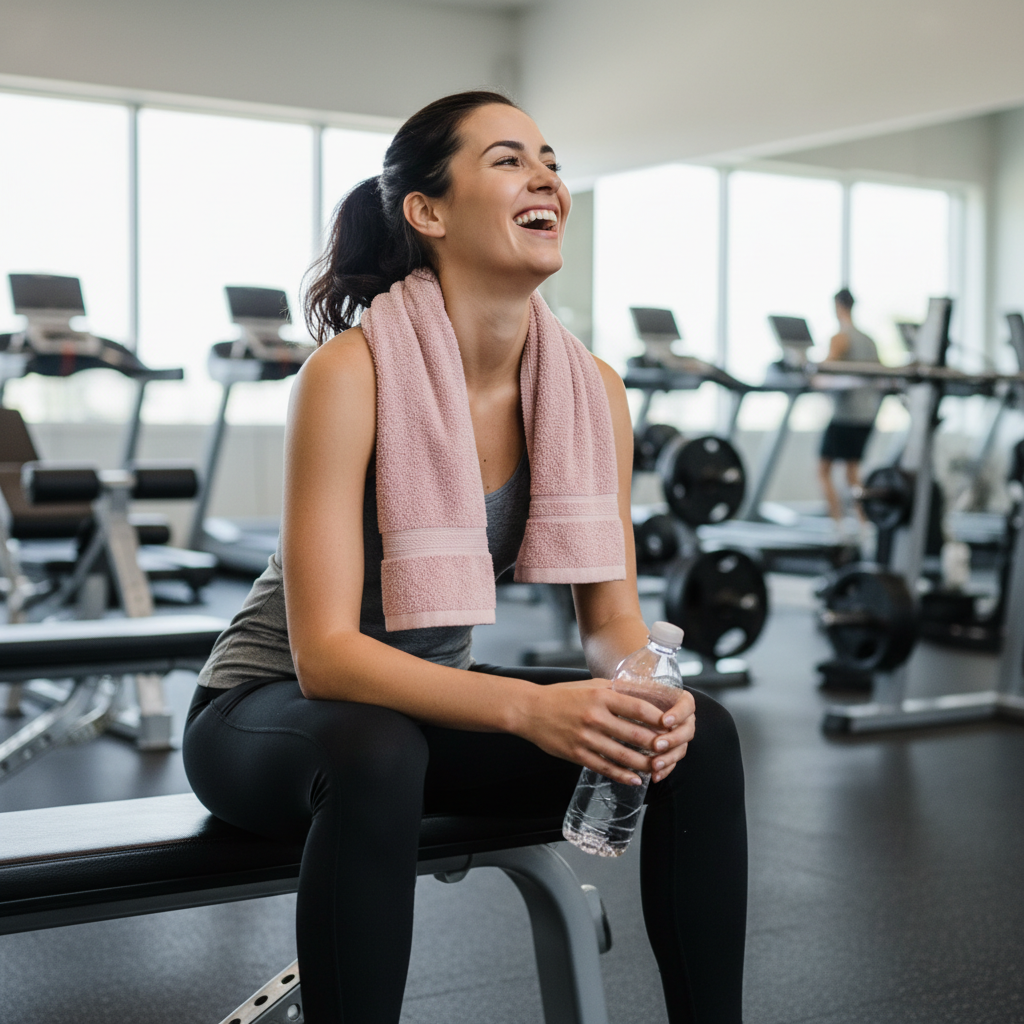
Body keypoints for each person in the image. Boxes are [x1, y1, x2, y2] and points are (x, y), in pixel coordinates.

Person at [183, 91, 747, 1024]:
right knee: (374, 746)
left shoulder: (590, 389)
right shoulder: (350, 373)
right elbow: (325, 655)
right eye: (507, 159)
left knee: (701, 735)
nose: (546, 179)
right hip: (269, 715)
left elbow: (610, 622)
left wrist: (645, 690)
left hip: (419, 716)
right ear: (427, 211)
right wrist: (530, 707)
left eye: (551, 161)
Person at [818, 287, 882, 527]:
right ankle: (863, 523)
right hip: (867, 415)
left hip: (846, 416)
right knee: (852, 472)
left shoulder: (840, 337)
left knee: (823, 470)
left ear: (837, 307)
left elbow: (824, 369)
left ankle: (838, 524)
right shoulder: (869, 340)